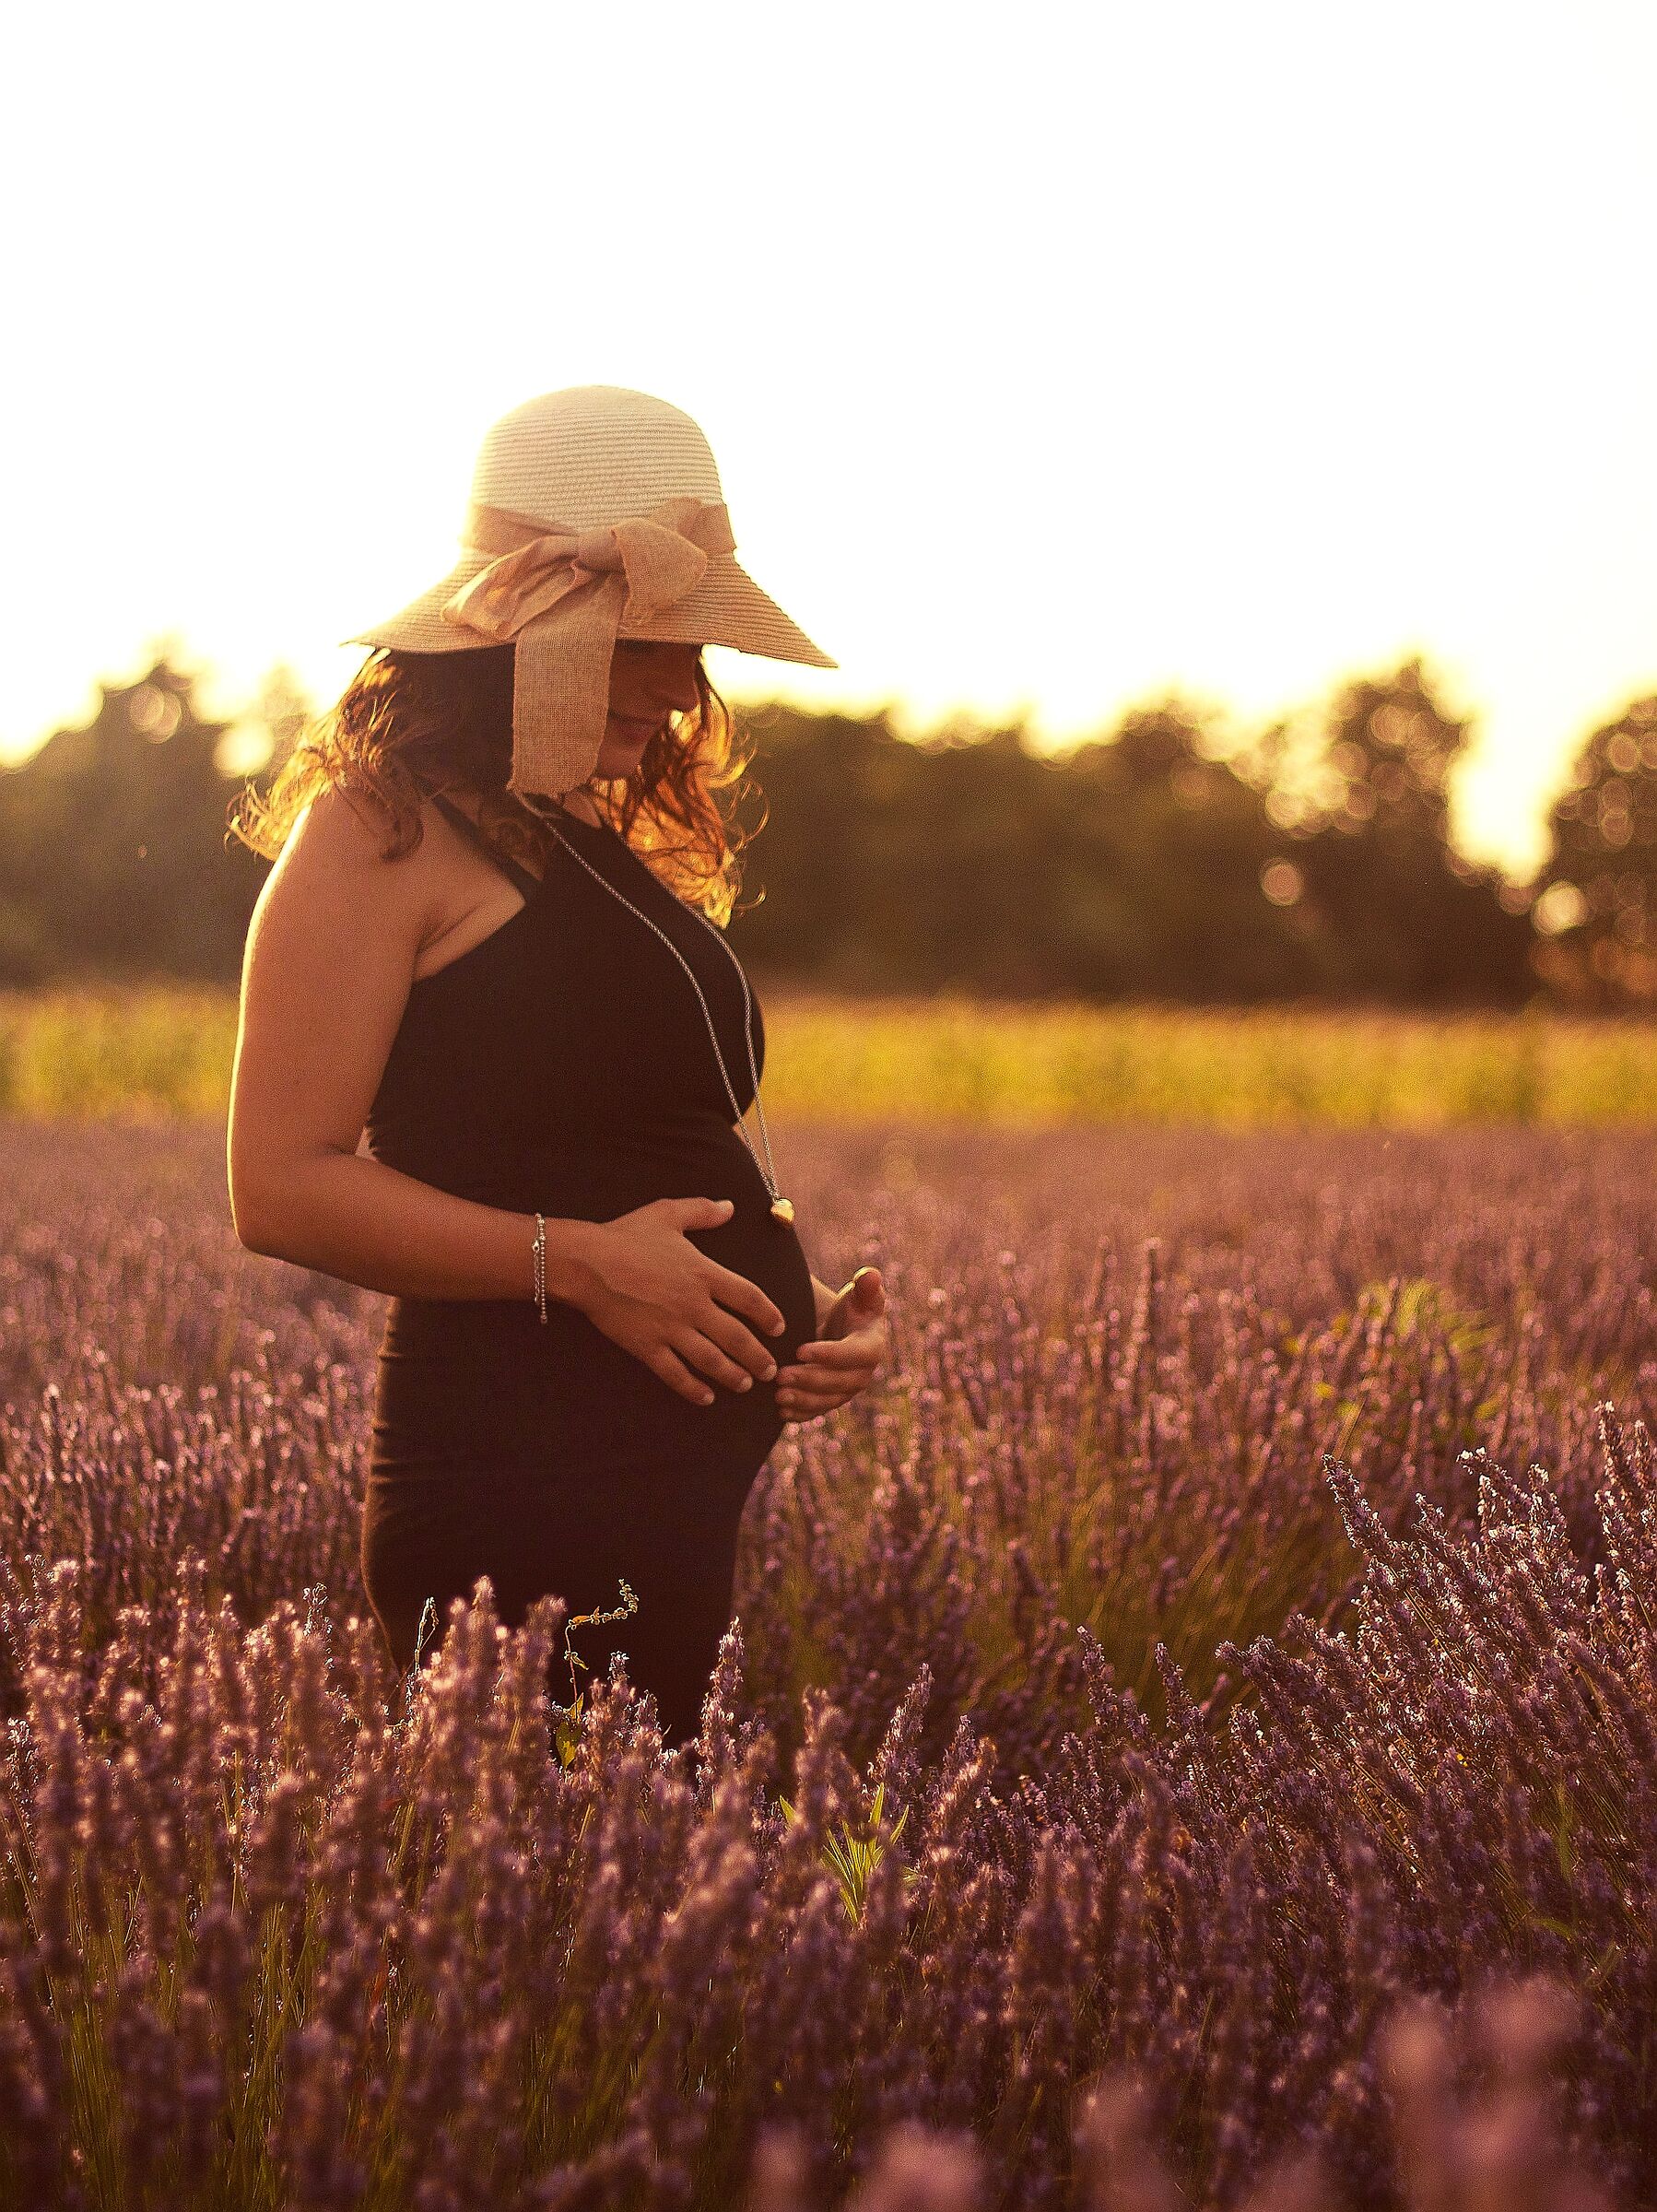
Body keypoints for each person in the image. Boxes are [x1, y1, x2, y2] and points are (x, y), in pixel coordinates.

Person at [227, 384, 890, 1750]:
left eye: (693, 647)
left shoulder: (577, 834)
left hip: (659, 1484)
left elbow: (598, 1136)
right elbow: (279, 1188)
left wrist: (795, 1313)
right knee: (545, 1916)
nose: (680, 685)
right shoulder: (380, 830)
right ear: (518, 635)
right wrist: (582, 1263)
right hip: (518, 1486)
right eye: (645, 640)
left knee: (627, 1917)